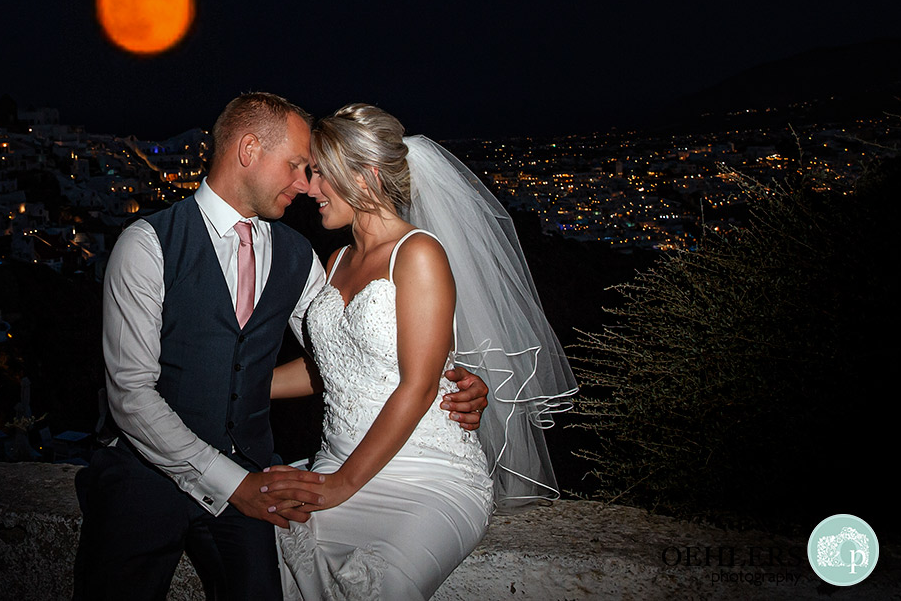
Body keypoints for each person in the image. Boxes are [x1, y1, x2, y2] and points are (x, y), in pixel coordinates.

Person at [72, 93, 489, 601]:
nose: (304, 183)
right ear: (248, 149)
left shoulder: (301, 256)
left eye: (312, 169)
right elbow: (131, 395)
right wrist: (233, 469)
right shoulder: (148, 243)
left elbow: (357, 352)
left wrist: (455, 377)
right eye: (296, 165)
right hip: (148, 475)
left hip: (258, 480)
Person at [268, 104, 578, 600]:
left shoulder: (419, 254)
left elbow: (419, 383)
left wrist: (341, 485)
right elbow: (330, 371)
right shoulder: (336, 261)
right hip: (336, 462)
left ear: (365, 177)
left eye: (321, 173)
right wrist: (241, 381)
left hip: (426, 476)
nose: (310, 187)